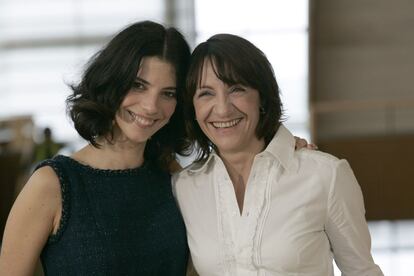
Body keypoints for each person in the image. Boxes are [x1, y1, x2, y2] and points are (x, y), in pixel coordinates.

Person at [173, 34, 384, 275]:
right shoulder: (184, 188)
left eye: (237, 89)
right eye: (206, 93)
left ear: (261, 97)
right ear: (193, 107)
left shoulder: (325, 176)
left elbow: (362, 271)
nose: (222, 108)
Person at [0, 21, 191, 275]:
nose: (151, 107)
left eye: (168, 93)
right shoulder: (53, 184)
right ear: (111, 81)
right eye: (138, 85)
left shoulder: (171, 175)